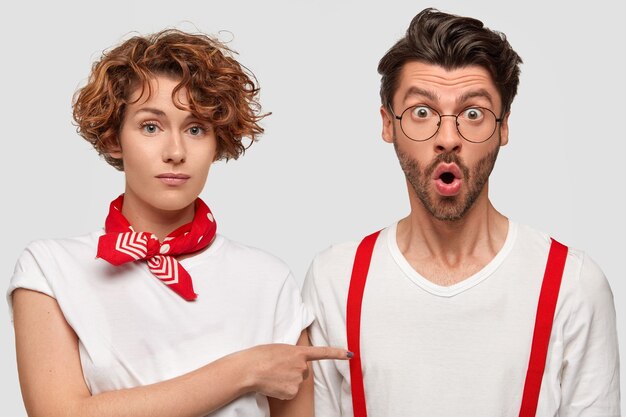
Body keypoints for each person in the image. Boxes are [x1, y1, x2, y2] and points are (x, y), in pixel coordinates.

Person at [8, 29, 350, 417]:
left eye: (195, 129)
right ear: (114, 138)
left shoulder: (267, 280)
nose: (175, 152)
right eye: (151, 127)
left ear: (217, 141)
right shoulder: (52, 269)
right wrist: (243, 370)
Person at [302, 8, 620, 417]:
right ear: (388, 124)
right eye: (422, 112)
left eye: (473, 113)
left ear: (503, 127)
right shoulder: (336, 278)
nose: (447, 138)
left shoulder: (572, 284)